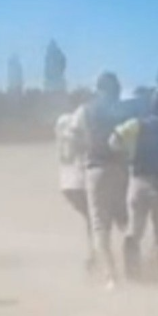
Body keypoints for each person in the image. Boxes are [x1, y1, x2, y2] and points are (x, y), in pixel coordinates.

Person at [110, 88, 158, 288]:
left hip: (137, 182)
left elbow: (113, 142)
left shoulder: (137, 124)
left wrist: (128, 154)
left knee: (134, 232)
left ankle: (132, 276)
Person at [69, 72, 129, 289]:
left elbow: (73, 138)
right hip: (123, 170)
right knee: (124, 219)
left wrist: (82, 153)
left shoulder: (86, 110)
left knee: (99, 225)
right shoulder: (123, 109)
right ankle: (134, 265)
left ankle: (111, 275)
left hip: (96, 169)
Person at [55, 100, 93, 274]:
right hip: (80, 181)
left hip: (66, 183)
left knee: (92, 219)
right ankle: (94, 257)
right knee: (95, 219)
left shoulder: (62, 122)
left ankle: (94, 255)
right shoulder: (77, 124)